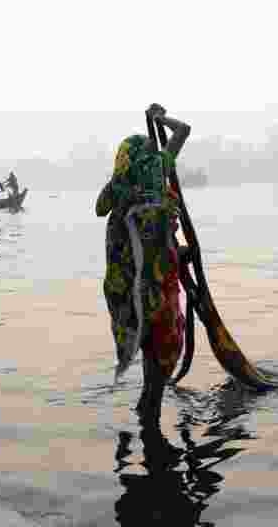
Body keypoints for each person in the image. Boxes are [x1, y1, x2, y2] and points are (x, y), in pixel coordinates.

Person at [95, 103, 190, 428]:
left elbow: (99, 208)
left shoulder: (123, 190)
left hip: (141, 289)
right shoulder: (155, 180)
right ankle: (149, 415)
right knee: (156, 363)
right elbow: (182, 131)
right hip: (153, 289)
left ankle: (147, 416)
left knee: (152, 359)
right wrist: (160, 120)